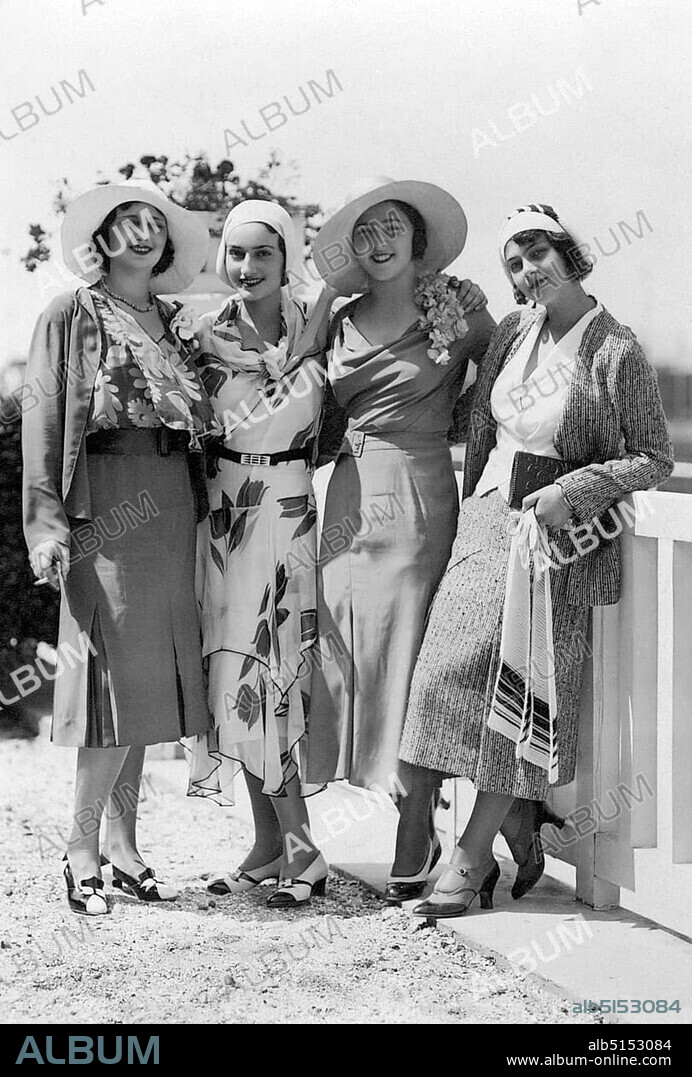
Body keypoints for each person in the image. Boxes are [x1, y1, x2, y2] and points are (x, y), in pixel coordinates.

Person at [398, 203, 674, 918]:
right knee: (438, 682)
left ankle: (467, 859)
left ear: (570, 253)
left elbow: (653, 455)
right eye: (514, 262)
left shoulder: (616, 347)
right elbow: (485, 426)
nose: (527, 270)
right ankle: (519, 820)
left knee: (515, 694)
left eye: (538, 252)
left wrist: (574, 490)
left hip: (556, 539)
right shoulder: (516, 332)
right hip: (486, 522)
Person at [23, 179, 214, 914]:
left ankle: (125, 845)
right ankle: (79, 849)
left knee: (146, 687)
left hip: (169, 500)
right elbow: (43, 424)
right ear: (99, 240)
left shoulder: (171, 321)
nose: (142, 233)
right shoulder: (71, 313)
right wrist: (46, 526)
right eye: (125, 223)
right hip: (103, 499)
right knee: (109, 680)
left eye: (153, 223)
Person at [303, 177, 495, 902]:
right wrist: (323, 296)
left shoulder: (459, 311)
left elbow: (505, 383)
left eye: (392, 229)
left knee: (413, 658)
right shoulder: (342, 317)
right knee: (349, 654)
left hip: (419, 495)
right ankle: (392, 806)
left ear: (419, 242)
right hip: (349, 497)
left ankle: (414, 834)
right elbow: (290, 378)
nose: (378, 243)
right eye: (365, 233)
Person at [186, 200, 334, 907]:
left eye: (263, 255)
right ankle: (269, 844)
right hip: (223, 510)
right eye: (237, 254)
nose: (247, 268)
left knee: (281, 671)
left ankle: (304, 846)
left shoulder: (321, 323)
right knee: (234, 673)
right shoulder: (201, 333)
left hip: (290, 502)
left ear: (287, 257)